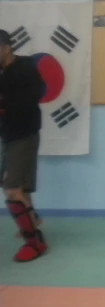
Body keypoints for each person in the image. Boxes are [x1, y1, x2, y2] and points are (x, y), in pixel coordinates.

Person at [0, 29, 47, 262]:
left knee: (13, 189)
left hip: (23, 134)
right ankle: (33, 220)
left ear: (6, 47)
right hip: (7, 135)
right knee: (14, 186)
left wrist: (6, 105)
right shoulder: (2, 72)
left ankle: (35, 242)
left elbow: (35, 96)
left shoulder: (25, 68)